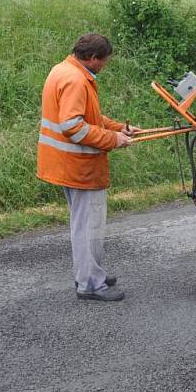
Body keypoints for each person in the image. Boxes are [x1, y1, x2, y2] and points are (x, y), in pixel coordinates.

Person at [37, 33, 137, 301]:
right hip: (80, 167)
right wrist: (113, 139)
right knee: (88, 227)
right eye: (103, 61)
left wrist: (119, 128)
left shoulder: (64, 69)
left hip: (67, 165)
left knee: (83, 224)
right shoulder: (76, 80)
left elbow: (89, 115)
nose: (104, 65)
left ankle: (91, 273)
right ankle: (91, 284)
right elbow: (73, 126)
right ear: (93, 58)